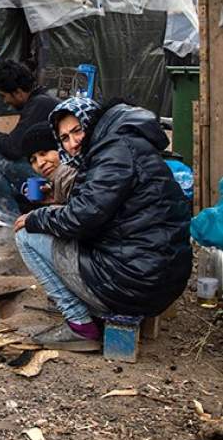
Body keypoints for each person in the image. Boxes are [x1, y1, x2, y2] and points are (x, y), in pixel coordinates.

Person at [13, 98, 192, 351]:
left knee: (25, 236)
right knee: (56, 224)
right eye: (64, 138)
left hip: (136, 283)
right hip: (158, 276)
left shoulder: (113, 152)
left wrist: (35, 218)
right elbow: (99, 210)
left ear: (92, 122)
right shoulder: (124, 143)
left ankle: (79, 324)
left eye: (77, 131)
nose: (72, 143)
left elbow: (81, 219)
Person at [0, 60, 60, 223]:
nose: (5, 101)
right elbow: (15, 142)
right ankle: (26, 213)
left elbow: (13, 148)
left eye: (4, 95)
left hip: (56, 177)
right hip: (52, 176)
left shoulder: (39, 105)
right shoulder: (40, 102)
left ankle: (11, 223)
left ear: (18, 92)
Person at [19, 122, 77, 205]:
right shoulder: (59, 182)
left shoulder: (71, 176)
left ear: (62, 149)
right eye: (33, 160)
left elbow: (79, 214)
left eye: (43, 153)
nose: (40, 164)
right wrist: (55, 199)